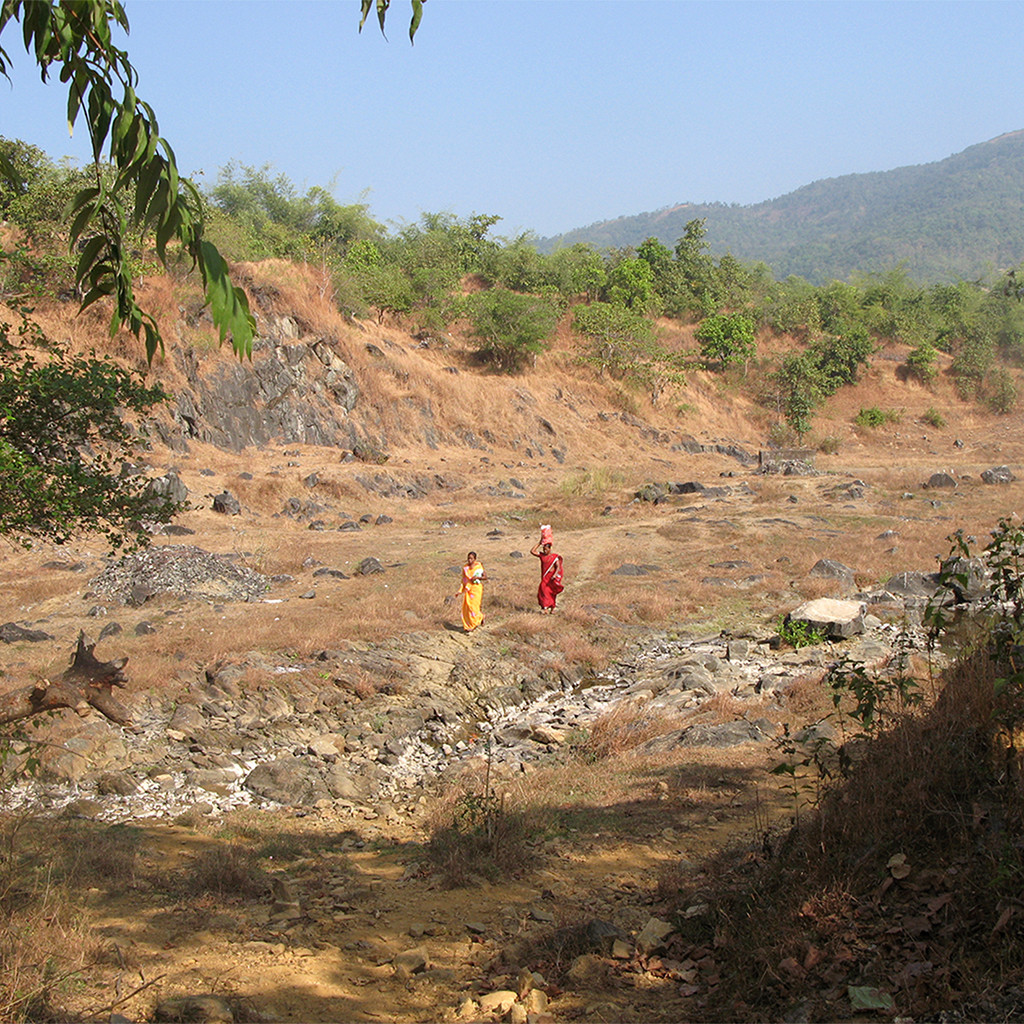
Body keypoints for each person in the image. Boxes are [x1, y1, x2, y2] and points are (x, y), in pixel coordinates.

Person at [530, 536, 564, 614]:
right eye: (543, 549)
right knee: (543, 590)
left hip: (551, 578)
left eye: (546, 549)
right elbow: (532, 551)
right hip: (545, 578)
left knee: (551, 592)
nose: (545, 551)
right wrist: (539, 543)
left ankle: (552, 607)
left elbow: (558, 566)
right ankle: (545, 607)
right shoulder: (542, 556)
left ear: (550, 548)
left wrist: (555, 575)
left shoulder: (554, 557)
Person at [460, 551, 487, 632]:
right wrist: (461, 589)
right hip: (469, 589)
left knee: (474, 607)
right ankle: (470, 623)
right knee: (467, 607)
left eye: (471, 558)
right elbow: (464, 579)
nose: (469, 560)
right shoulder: (465, 568)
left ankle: (474, 624)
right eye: (468, 558)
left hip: (476, 589)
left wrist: (478, 578)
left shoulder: (479, 567)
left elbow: (485, 577)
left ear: (475, 559)